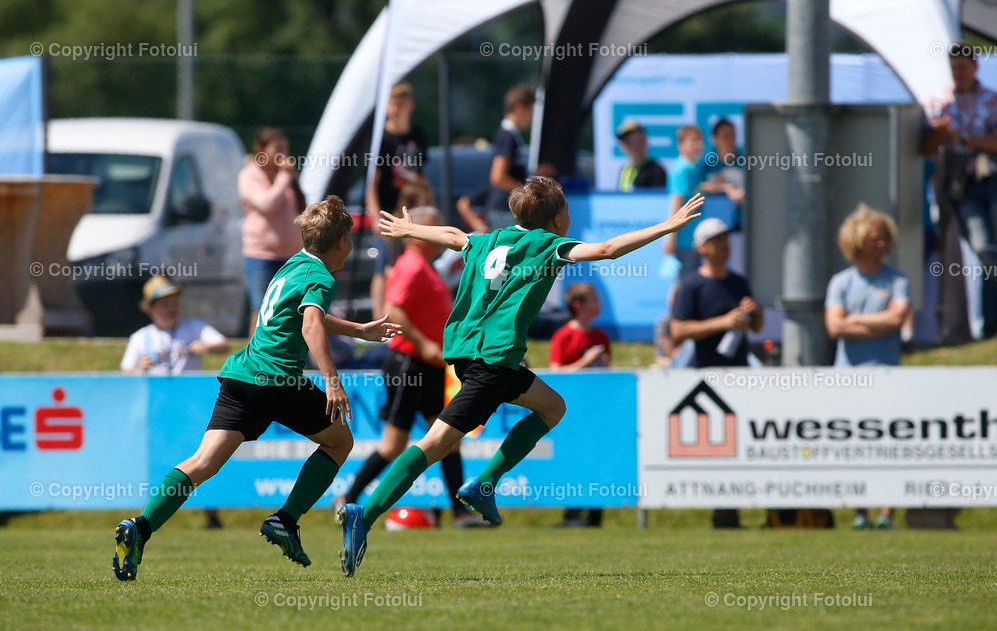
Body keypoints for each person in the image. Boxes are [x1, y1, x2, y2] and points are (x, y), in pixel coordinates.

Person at [337, 178, 705, 576]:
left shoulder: (490, 240)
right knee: (434, 444)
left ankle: (483, 486)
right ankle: (365, 513)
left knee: (552, 407)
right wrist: (667, 226)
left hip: (478, 356)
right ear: (557, 217)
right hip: (491, 363)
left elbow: (452, 235)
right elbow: (609, 249)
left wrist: (412, 230)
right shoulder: (548, 245)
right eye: (566, 209)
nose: (569, 215)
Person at [111, 196, 401, 582]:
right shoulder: (322, 277)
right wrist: (333, 382)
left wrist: (360, 330)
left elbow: (303, 315)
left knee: (203, 463)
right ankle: (286, 519)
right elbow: (311, 325)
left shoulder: (293, 265)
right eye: (349, 236)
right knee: (339, 442)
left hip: (241, 376)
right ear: (342, 242)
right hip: (276, 379)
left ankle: (139, 528)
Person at [335, 207, 486, 528]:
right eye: (433, 228)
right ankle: (347, 501)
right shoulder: (411, 265)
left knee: (448, 439)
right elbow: (395, 311)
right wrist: (424, 344)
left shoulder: (425, 266)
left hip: (427, 367)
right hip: (408, 365)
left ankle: (460, 514)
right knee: (393, 445)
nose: (440, 235)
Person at [922, 43, 997, 338]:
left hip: (992, 182)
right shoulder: (940, 102)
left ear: (975, 67)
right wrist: (940, 135)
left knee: (996, 253)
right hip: (961, 187)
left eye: (963, 67)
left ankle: (993, 324)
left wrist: (962, 137)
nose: (959, 73)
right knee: (983, 248)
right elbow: (928, 149)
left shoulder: (992, 99)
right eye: (954, 68)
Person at [669, 217, 762, 530]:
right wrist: (723, 323)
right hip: (707, 378)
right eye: (718, 239)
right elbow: (678, 330)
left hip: (740, 373)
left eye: (727, 238)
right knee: (718, 445)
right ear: (703, 248)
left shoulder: (738, 282)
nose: (726, 244)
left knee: (741, 444)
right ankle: (722, 510)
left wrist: (755, 313)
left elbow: (757, 327)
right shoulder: (692, 284)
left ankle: (732, 509)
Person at [825, 205, 911, 530]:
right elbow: (835, 327)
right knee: (854, 448)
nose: (882, 243)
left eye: (885, 238)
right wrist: (878, 322)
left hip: (888, 374)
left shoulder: (897, 279)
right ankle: (860, 512)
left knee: (889, 447)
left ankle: (887, 512)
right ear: (859, 241)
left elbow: (896, 319)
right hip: (849, 378)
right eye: (876, 238)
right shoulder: (841, 282)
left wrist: (855, 319)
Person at [121, 274, 230, 529]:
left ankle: (211, 513)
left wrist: (206, 348)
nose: (171, 309)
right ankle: (146, 514)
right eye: (164, 304)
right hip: (157, 410)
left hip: (192, 408)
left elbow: (222, 344)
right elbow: (126, 373)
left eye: (174, 302)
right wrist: (140, 368)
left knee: (203, 457)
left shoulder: (192, 326)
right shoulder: (140, 338)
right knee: (155, 459)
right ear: (150, 309)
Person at [549, 282, 611, 528]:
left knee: (597, 458)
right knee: (573, 457)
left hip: (596, 410)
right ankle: (572, 513)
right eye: (593, 300)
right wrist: (586, 361)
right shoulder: (563, 335)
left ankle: (595, 513)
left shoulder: (601, 337)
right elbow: (555, 374)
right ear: (578, 306)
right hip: (570, 410)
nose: (599, 304)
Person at [367, 82, 430, 318]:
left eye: (400, 104)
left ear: (410, 107)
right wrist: (375, 216)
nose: (395, 109)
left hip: (412, 211)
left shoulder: (417, 136)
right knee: (385, 266)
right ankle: (379, 318)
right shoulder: (381, 139)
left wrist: (428, 204)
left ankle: (407, 315)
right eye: (391, 104)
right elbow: (371, 183)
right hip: (388, 212)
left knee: (411, 265)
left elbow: (422, 176)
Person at [240, 127, 305, 337]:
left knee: (292, 312)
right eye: (278, 148)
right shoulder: (249, 175)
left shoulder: (287, 177)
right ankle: (254, 365)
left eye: (286, 148)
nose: (284, 154)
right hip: (261, 256)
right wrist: (285, 176)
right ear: (261, 150)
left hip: (292, 256)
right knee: (261, 312)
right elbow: (267, 204)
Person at [486, 84, 535, 228]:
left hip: (506, 211)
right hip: (504, 211)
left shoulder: (511, 135)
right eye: (531, 111)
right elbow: (498, 177)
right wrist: (528, 192)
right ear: (519, 108)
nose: (532, 117)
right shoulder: (506, 136)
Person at [664, 125, 708, 277]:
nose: (699, 145)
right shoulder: (681, 169)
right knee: (685, 286)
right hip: (683, 240)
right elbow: (677, 202)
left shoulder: (691, 168)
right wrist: (671, 238)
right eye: (693, 141)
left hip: (693, 239)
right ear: (681, 144)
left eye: (700, 140)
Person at [699, 118, 745, 226]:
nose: (729, 140)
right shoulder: (707, 165)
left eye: (732, 135)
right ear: (715, 139)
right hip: (713, 225)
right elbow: (698, 187)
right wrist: (723, 187)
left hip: (741, 225)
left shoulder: (746, 163)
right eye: (725, 136)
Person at [616, 120, 666, 192]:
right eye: (627, 142)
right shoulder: (624, 169)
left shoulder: (656, 171)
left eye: (637, 141)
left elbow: (658, 199)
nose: (634, 146)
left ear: (645, 142)